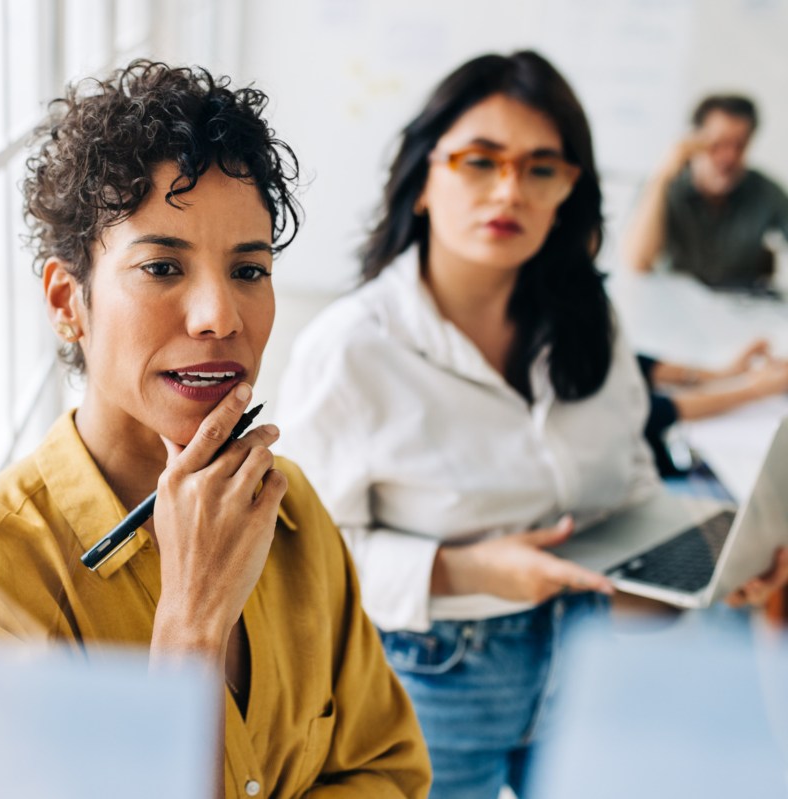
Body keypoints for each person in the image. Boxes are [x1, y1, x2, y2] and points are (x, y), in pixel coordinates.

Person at [0, 61, 431, 799]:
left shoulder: (291, 506)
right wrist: (191, 623)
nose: (220, 315)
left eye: (249, 271)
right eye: (161, 267)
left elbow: (389, 770)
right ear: (67, 301)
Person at [276, 51, 788, 799]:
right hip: (428, 680)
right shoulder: (351, 349)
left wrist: (712, 571)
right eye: (480, 161)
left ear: (567, 192)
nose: (509, 189)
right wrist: (469, 568)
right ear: (424, 180)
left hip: (589, 655)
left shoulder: (589, 319)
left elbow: (628, 492)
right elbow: (300, 568)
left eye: (541, 168)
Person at [623, 94, 788, 288]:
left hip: (740, 308)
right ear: (694, 141)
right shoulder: (664, 187)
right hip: (676, 306)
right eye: (718, 144)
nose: (729, 157)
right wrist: (663, 176)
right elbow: (637, 263)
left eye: (740, 146)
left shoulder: (765, 191)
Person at [638, 340, 788, 479]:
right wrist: (757, 389)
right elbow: (659, 411)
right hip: (659, 472)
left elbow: (639, 366)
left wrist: (724, 374)